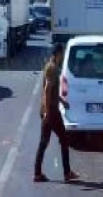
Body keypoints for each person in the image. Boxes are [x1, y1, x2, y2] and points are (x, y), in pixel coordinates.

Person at [34, 43, 79, 183]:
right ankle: (66, 172)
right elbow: (47, 89)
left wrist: (62, 101)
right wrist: (48, 111)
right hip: (52, 111)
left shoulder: (51, 66)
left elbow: (51, 91)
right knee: (64, 140)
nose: (63, 55)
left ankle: (37, 173)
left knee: (44, 142)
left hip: (50, 108)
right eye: (63, 53)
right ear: (58, 53)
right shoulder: (52, 68)